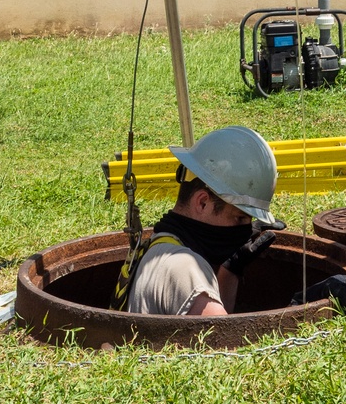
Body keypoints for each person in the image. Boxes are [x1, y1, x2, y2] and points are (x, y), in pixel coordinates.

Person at [120, 126, 284, 316]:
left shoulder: (160, 245)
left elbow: (208, 329)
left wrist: (230, 270)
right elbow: (227, 339)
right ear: (203, 202)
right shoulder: (183, 267)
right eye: (239, 218)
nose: (244, 230)